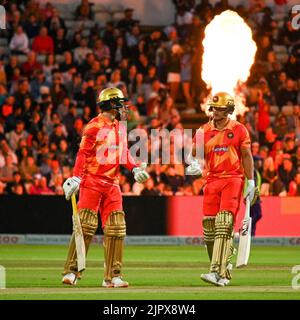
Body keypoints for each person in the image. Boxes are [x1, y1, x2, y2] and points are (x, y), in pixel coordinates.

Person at [61, 87, 149, 287]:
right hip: (92, 181)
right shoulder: (93, 126)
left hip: (112, 184)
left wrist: (134, 169)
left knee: (117, 228)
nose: (123, 107)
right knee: (85, 226)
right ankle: (72, 271)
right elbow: (83, 154)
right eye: (120, 103)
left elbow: (123, 153)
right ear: (111, 105)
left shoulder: (120, 127)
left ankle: (113, 276)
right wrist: (76, 178)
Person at [186, 92, 257, 287]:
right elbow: (191, 154)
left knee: (224, 223)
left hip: (233, 180)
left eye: (220, 109)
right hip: (211, 181)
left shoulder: (239, 129)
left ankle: (216, 272)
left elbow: (246, 155)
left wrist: (250, 182)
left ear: (229, 110)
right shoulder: (204, 131)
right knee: (209, 229)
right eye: (214, 108)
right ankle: (223, 269)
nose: (216, 111)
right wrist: (192, 164)